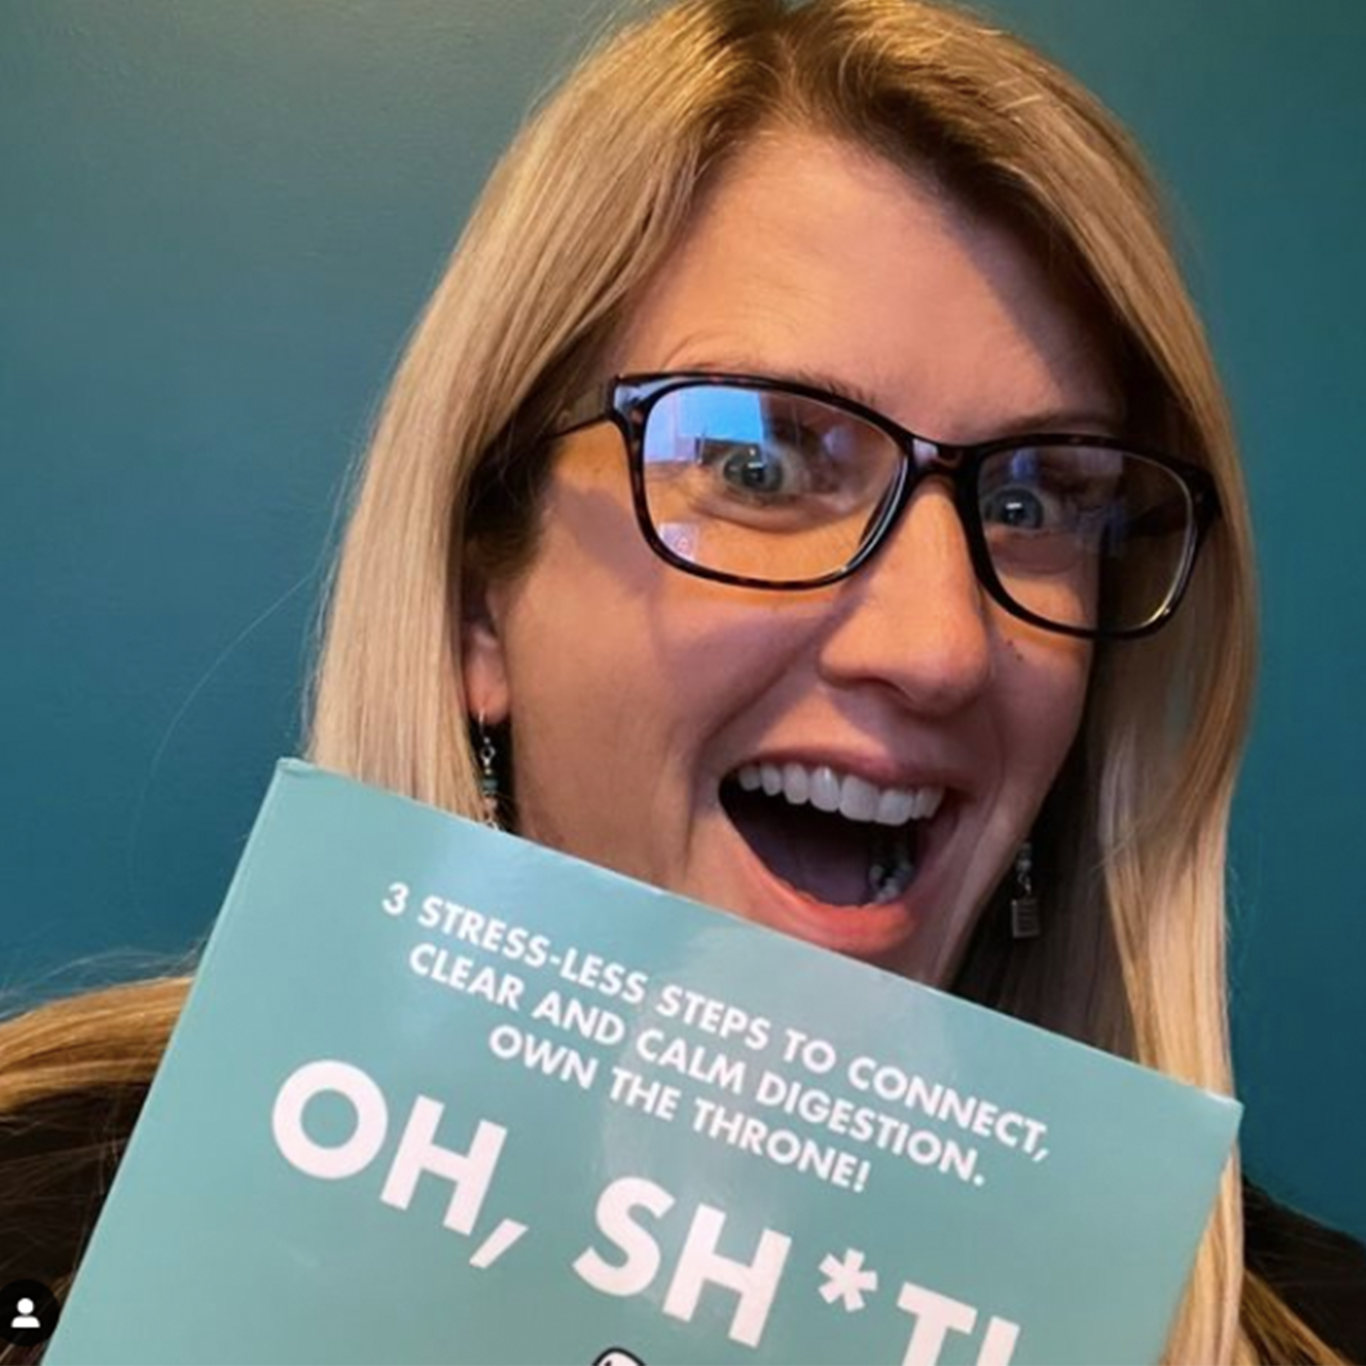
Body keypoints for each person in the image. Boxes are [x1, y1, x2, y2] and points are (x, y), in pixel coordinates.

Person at [0, 1, 1362, 1362]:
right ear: (483, 603)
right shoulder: (36, 1211)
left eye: (1035, 500)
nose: (938, 646)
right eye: (759, 463)